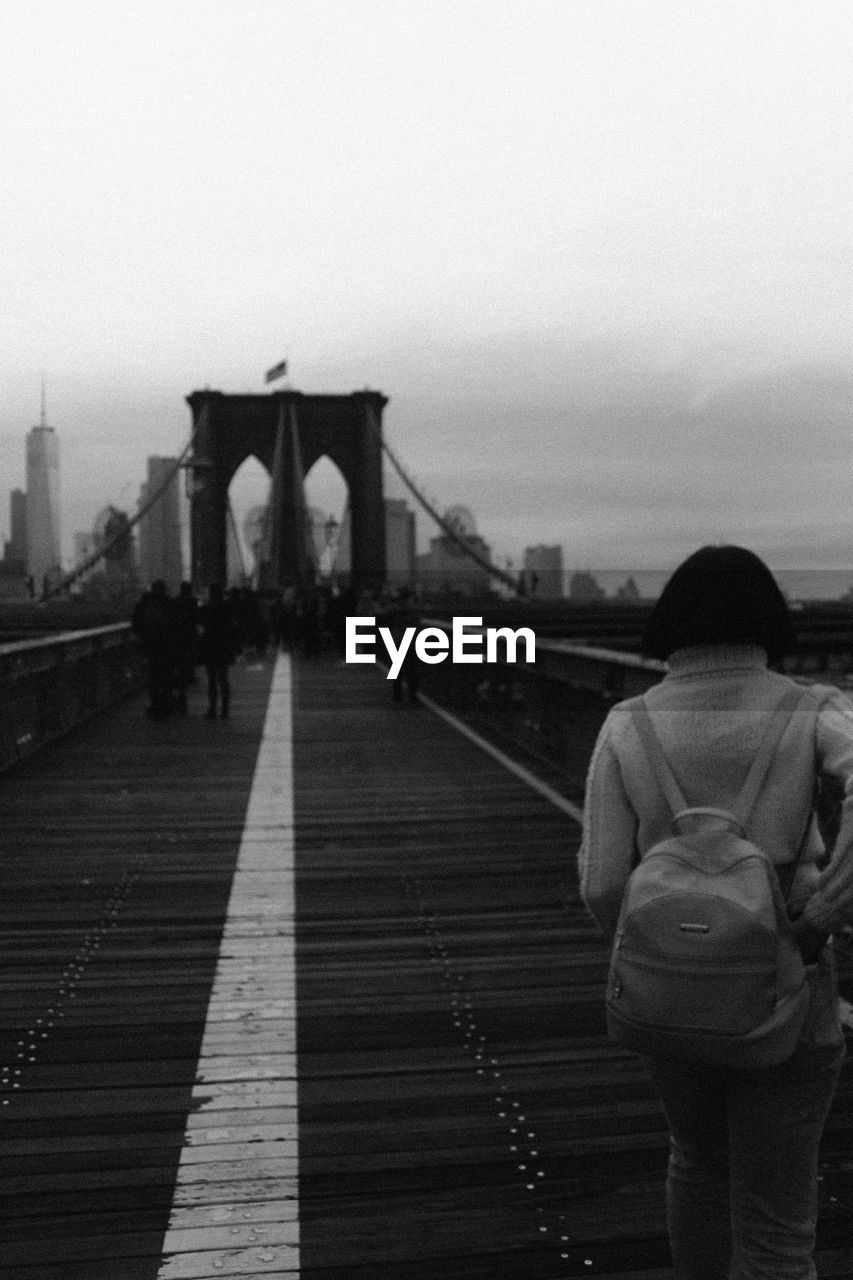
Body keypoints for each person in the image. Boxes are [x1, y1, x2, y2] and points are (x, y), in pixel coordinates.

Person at [579, 545, 853, 1280]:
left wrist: (655, 951)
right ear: (768, 616)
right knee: (775, 1215)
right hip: (789, 983)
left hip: (666, 990)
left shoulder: (626, 723)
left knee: (696, 1163)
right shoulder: (812, 710)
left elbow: (603, 884)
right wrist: (823, 912)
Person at [132, 580, 177, 719]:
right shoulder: (170, 604)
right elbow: (177, 624)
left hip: (150, 646)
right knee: (167, 675)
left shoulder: (143, 604)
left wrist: (143, 638)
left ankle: (155, 704)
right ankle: (166, 703)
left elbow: (136, 624)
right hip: (168, 645)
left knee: (153, 675)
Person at [198, 583, 239, 720]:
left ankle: (212, 708)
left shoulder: (206, 608)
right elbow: (233, 626)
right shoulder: (228, 608)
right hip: (224, 645)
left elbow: (201, 623)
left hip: (210, 644)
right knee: (223, 678)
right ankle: (225, 710)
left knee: (211, 679)